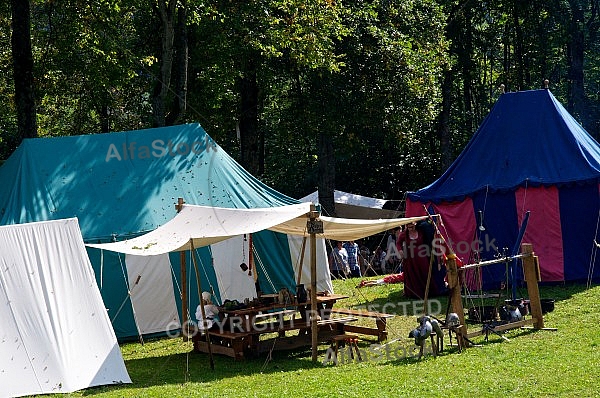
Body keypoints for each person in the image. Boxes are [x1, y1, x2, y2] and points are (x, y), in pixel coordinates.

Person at [396, 220, 445, 299]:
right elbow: (398, 243)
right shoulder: (404, 234)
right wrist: (400, 251)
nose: (410, 229)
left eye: (411, 227)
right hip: (410, 260)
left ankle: (428, 292)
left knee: (425, 273)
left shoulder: (421, 232)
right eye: (408, 227)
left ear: (415, 224)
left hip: (422, 257)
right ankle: (415, 293)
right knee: (413, 276)